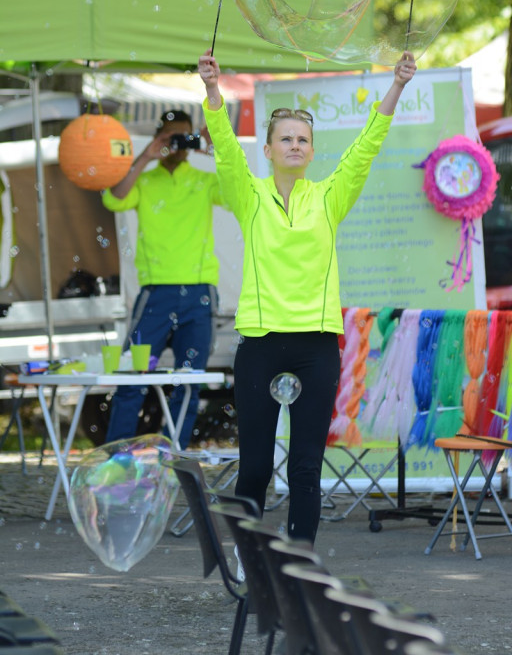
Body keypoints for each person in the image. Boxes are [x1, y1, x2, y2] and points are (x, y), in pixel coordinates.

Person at [198, 48, 417, 543]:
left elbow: (365, 147)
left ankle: (299, 569)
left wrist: (398, 85)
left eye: (303, 140)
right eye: (285, 138)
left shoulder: (329, 197)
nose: (294, 145)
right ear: (268, 149)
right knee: (255, 467)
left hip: (317, 347)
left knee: (304, 468)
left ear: (313, 152)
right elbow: (225, 148)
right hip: (260, 344)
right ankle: (252, 563)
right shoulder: (249, 195)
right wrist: (212, 90)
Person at [102, 109, 225, 449]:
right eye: (172, 136)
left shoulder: (204, 180)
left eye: (185, 137)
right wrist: (146, 156)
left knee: (189, 382)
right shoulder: (145, 179)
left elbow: (239, 195)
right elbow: (113, 198)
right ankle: (116, 458)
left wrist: (216, 151)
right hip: (155, 293)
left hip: (198, 292)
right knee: (131, 378)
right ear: (159, 136)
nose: (179, 144)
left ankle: (172, 461)